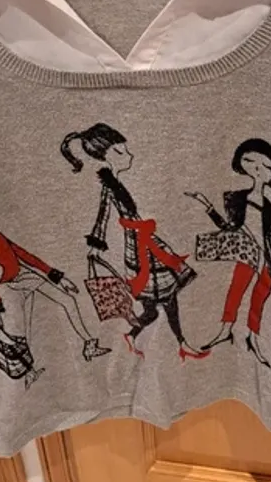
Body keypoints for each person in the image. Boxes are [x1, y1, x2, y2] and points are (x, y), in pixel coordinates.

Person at [60, 124, 205, 360]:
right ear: (105, 156)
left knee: (158, 303)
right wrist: (95, 246)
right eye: (120, 151)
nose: (129, 155)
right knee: (164, 299)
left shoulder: (116, 182)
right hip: (139, 246)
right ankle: (179, 342)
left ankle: (154, 338)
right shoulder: (109, 185)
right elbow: (102, 216)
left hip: (145, 241)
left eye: (126, 150)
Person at [0, 162, 109, 368]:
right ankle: (29, 369)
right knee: (23, 329)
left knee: (64, 301)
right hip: (10, 284)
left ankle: (89, 345)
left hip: (24, 274)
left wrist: (56, 275)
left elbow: (23, 254)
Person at [187, 138, 271, 365]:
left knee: (258, 299)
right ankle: (226, 330)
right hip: (247, 253)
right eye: (251, 161)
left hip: (268, 260)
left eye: (267, 166)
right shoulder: (237, 199)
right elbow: (228, 228)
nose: (258, 169)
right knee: (236, 290)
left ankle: (254, 338)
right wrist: (207, 206)